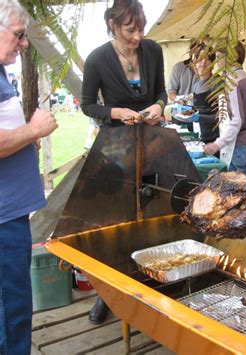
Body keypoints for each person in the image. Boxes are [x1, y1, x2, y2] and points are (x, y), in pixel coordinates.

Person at [81, 0, 167, 324]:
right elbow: (88, 105)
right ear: (113, 24)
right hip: (115, 150)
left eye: (142, 29)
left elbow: (161, 92)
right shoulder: (97, 59)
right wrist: (114, 112)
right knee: (116, 222)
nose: (138, 37)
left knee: (150, 215)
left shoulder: (153, 50)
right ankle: (108, 294)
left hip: (153, 145)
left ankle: (148, 284)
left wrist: (158, 105)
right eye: (131, 30)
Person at [0, 1, 58, 353]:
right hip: (3, 219)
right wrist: (35, 129)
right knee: (11, 312)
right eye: (19, 35)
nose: (24, 44)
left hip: (10, 213)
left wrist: (24, 141)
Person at [203, 41, 246, 177]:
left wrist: (217, 144)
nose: (217, 62)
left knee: (235, 192)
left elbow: (237, 120)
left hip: (237, 146)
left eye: (219, 57)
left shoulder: (233, 81)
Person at [191, 43, 219, 143]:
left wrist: (200, 118)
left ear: (212, 63)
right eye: (200, 58)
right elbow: (197, 109)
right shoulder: (196, 85)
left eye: (207, 59)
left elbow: (223, 116)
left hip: (216, 139)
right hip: (202, 136)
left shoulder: (217, 83)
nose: (203, 62)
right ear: (195, 62)